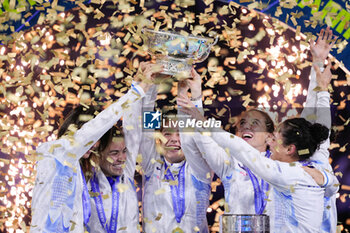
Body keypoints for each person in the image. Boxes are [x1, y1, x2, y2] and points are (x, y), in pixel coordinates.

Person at [177, 27, 339, 231]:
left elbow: (235, 145)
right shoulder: (309, 163)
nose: (246, 126)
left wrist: (328, 180)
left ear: (272, 137)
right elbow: (318, 130)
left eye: (256, 124)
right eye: (242, 123)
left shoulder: (283, 168)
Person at [30, 73, 152, 232]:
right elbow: (97, 127)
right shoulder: (61, 156)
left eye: (124, 152)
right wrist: (138, 90)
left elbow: (141, 132)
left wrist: (151, 91)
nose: (121, 158)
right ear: (101, 155)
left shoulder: (146, 165)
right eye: (114, 152)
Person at [125, 62, 213, 232]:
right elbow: (147, 130)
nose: (173, 139)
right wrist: (152, 86)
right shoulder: (152, 166)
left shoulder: (200, 168)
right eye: (167, 133)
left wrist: (188, 93)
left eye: (179, 134)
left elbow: (196, 134)